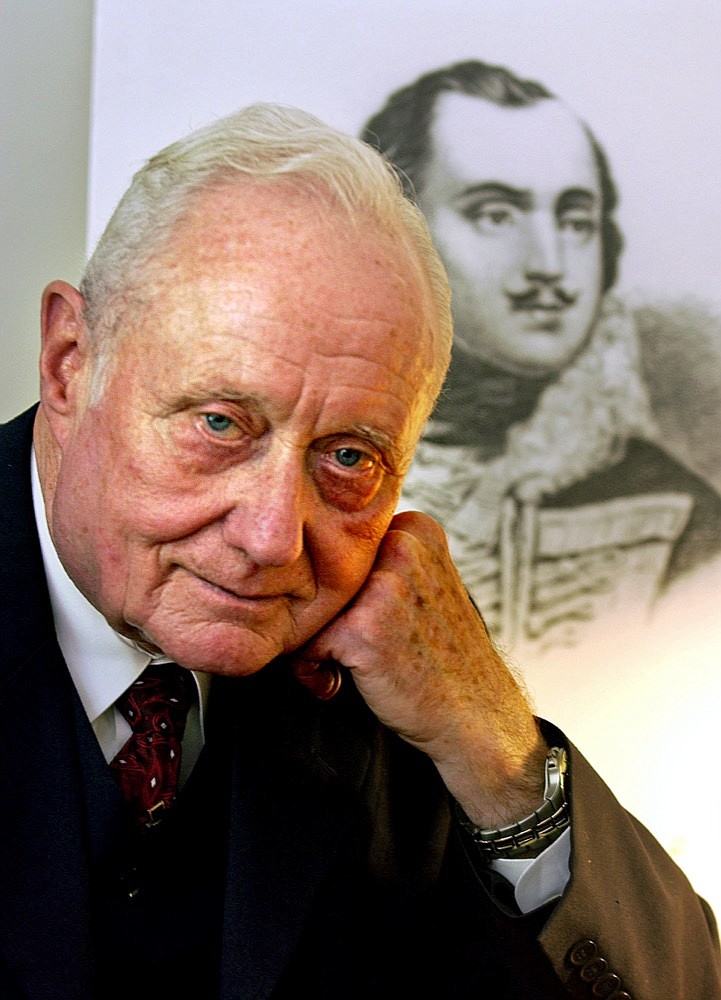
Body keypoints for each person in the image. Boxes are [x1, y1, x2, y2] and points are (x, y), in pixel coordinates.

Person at [0, 103, 718, 1000]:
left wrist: (494, 745)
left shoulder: (398, 676)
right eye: (221, 423)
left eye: (348, 458)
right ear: (70, 361)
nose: (271, 538)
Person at [361, 61, 721, 658]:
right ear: (396, 230)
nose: (550, 264)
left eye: (576, 221)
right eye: (496, 215)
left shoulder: (676, 514)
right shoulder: (297, 484)